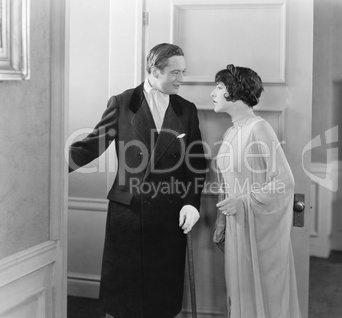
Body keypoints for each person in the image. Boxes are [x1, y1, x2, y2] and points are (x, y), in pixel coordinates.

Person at [69, 43, 207, 318]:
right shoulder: (122, 103)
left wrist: (192, 203)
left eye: (183, 72)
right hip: (128, 212)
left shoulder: (186, 109)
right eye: (175, 73)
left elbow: (196, 163)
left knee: (162, 294)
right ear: (155, 70)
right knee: (125, 294)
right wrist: (45, 170)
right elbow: (90, 146)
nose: (181, 79)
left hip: (170, 212)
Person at [211, 64, 301, 318]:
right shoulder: (231, 132)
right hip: (236, 228)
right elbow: (228, 184)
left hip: (258, 232)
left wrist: (243, 202)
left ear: (235, 91)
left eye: (219, 87)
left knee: (261, 294)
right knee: (238, 295)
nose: (213, 93)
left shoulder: (259, 128)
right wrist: (222, 223)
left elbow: (285, 181)